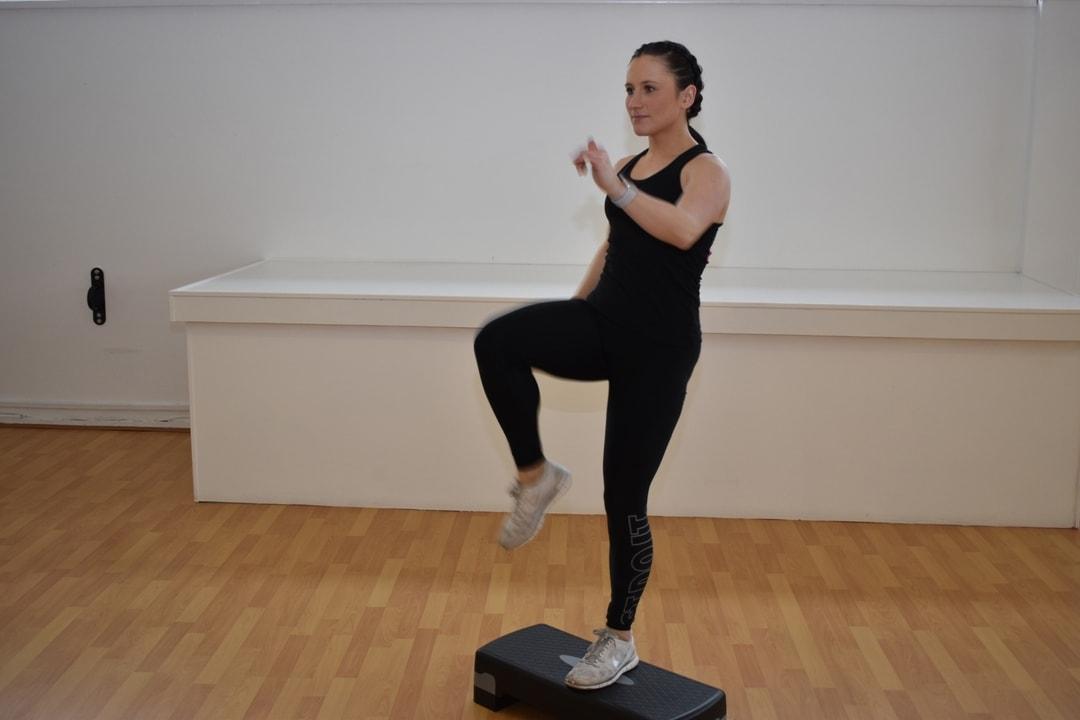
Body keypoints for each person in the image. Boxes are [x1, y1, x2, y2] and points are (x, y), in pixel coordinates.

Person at [472, 40, 730, 690]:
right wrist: (572, 311)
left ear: (687, 96)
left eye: (649, 89)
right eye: (629, 90)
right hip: (604, 323)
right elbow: (616, 246)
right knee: (498, 341)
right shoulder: (630, 165)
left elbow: (682, 230)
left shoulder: (707, 172)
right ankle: (536, 476)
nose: (634, 102)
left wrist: (618, 187)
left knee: (625, 499)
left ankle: (618, 638)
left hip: (660, 350)